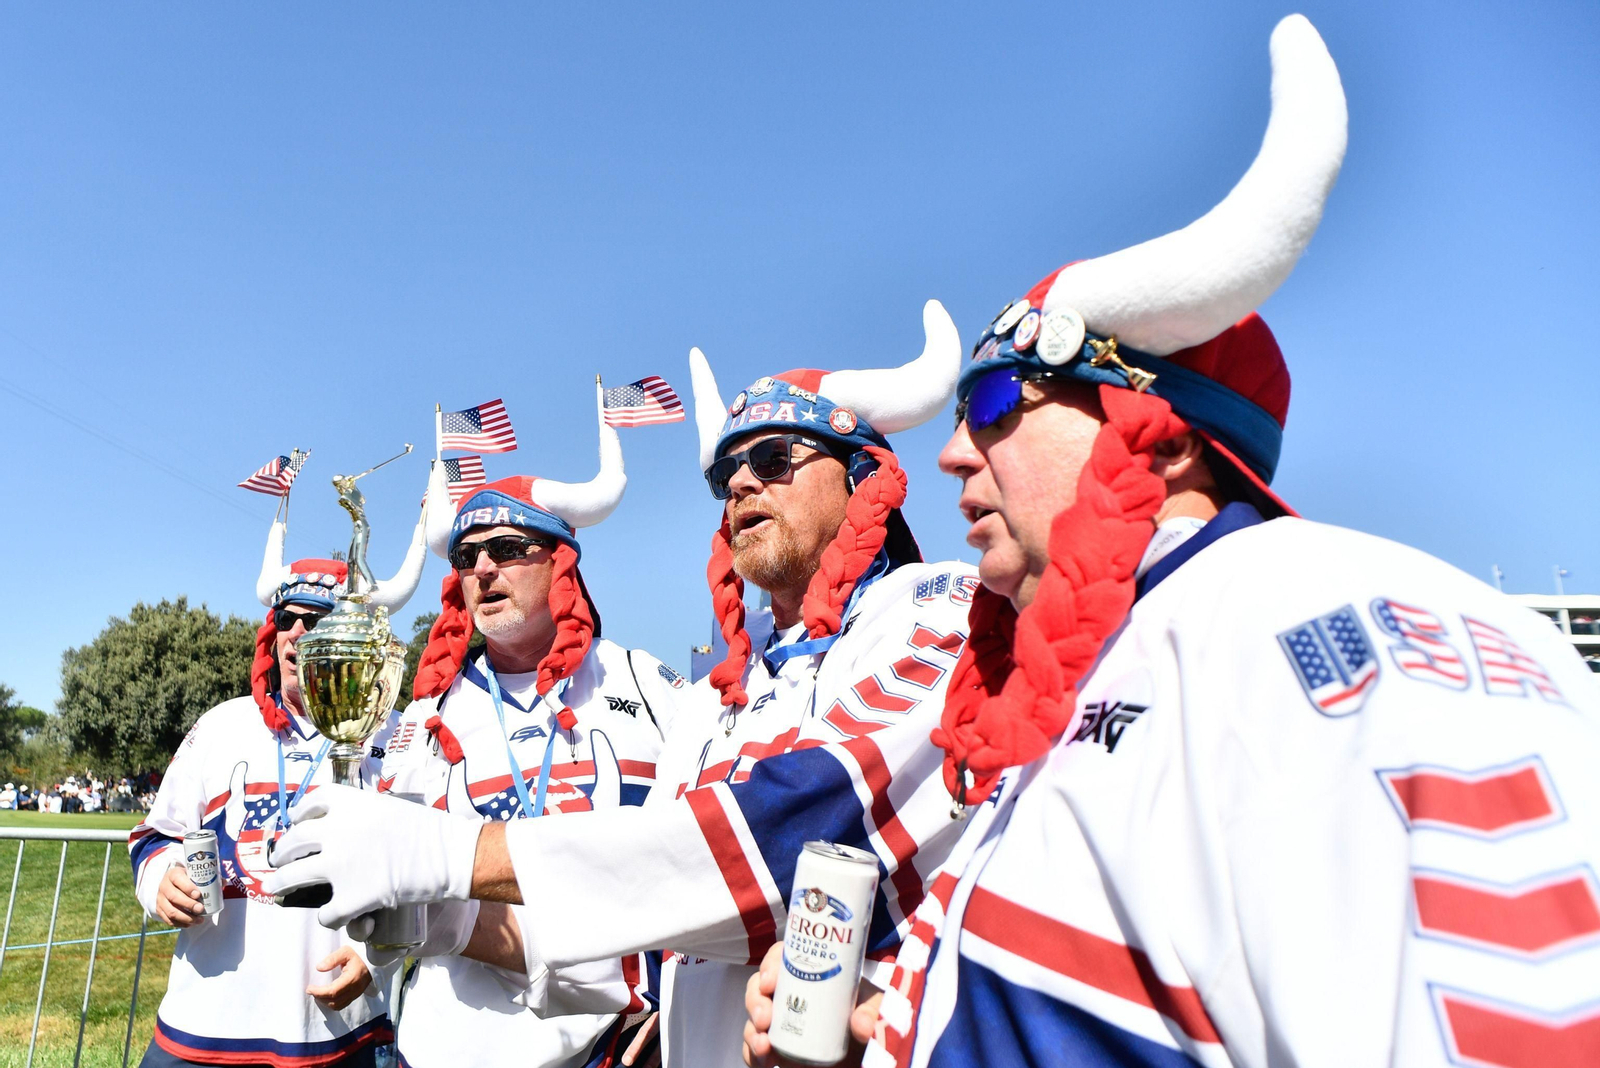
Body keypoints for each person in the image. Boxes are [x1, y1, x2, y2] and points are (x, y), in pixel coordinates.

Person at [732, 16, 1600, 1068]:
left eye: (1002, 399)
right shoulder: (1123, 649)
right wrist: (885, 1023)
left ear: (1167, 443)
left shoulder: (1312, 629)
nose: (956, 454)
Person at [266, 305, 982, 1067]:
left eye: (773, 458)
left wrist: (449, 855)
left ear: (865, 475)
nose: (739, 481)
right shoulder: (715, 698)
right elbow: (656, 899)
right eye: (724, 473)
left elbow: (790, 833)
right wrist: (438, 925)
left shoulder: (937, 607)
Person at [366, 389, 690, 1068]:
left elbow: (702, 850)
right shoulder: (428, 714)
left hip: (604, 1045)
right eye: (467, 556)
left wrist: (675, 990)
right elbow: (389, 871)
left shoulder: (646, 684)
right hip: (446, 1049)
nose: (482, 568)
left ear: (562, 562)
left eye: (508, 547)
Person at [127, 494, 428, 1068]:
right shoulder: (222, 725)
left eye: (314, 620)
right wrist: (162, 880)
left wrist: (376, 959)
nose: (294, 633)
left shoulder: (395, 736)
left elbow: (423, 874)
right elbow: (153, 836)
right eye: (285, 619)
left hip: (336, 1032)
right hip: (200, 1028)